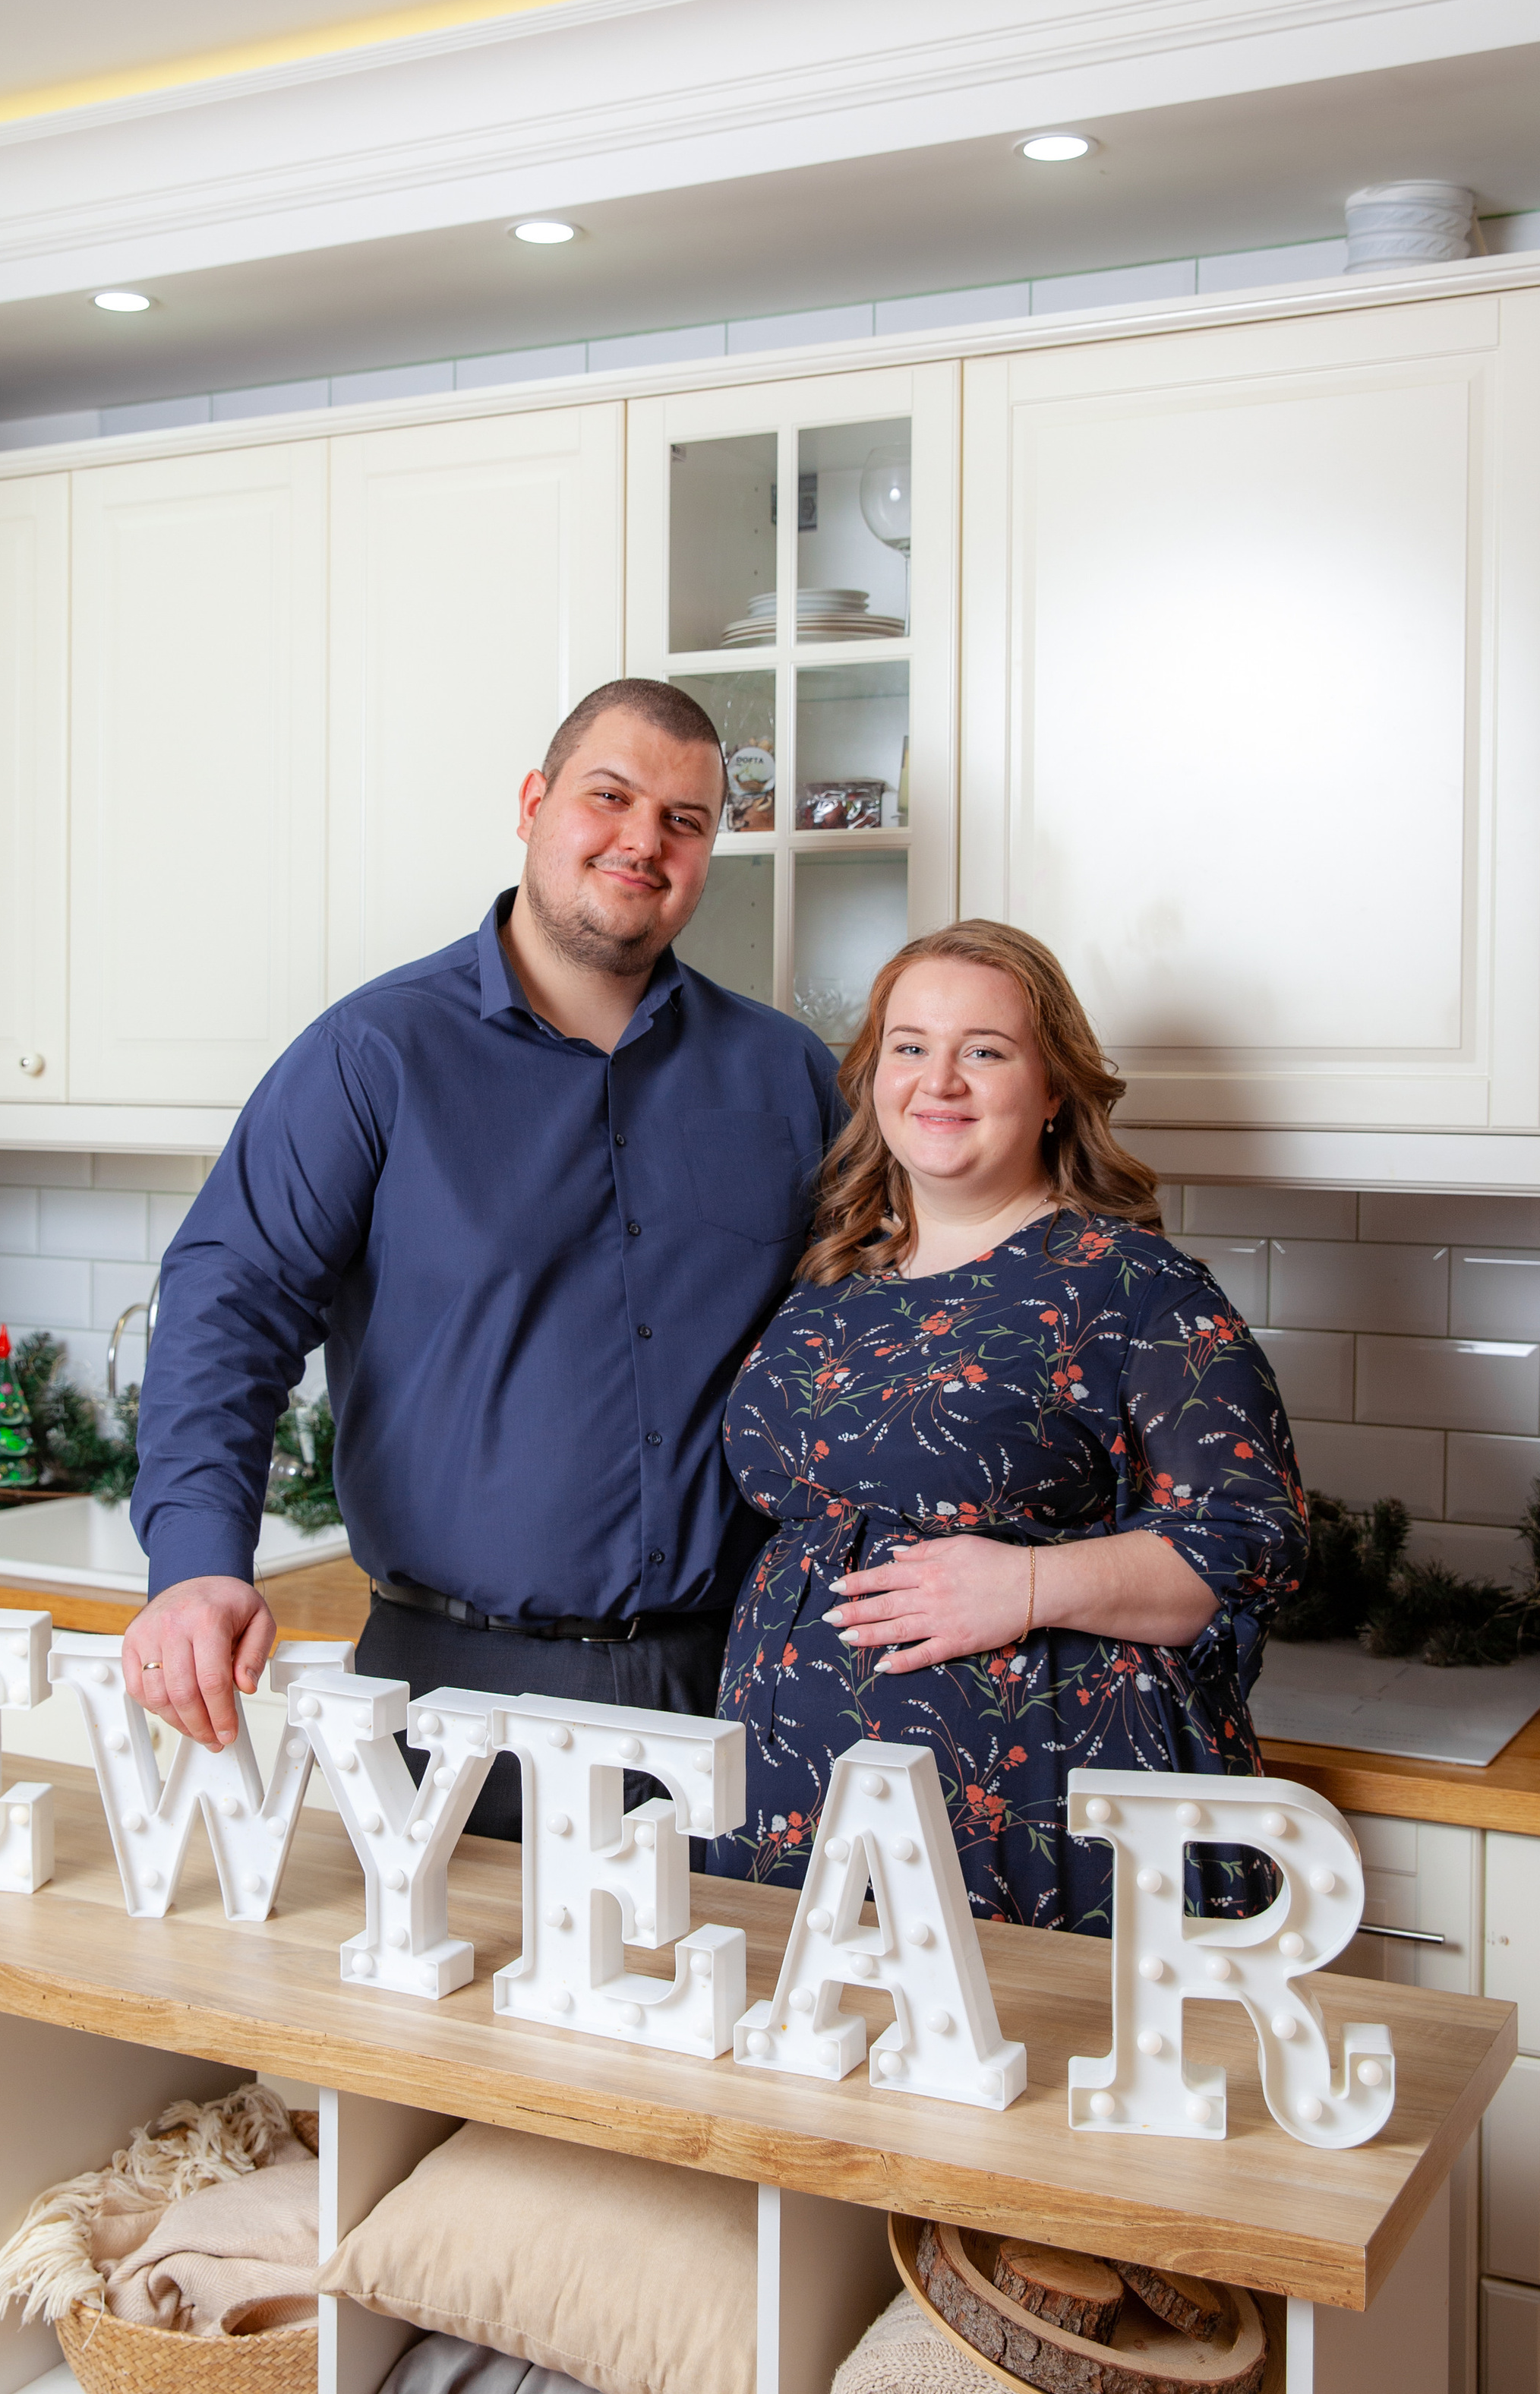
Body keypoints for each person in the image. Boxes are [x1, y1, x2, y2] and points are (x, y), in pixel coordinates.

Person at [123, 677, 845, 1835]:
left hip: (742, 1688)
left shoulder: (789, 1076)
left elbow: (887, 1331)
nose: (643, 841)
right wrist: (199, 1561)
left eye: (685, 821)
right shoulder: (372, 1055)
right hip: (449, 1698)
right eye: (609, 797)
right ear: (532, 804)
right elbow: (231, 1303)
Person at [708, 919, 1306, 1933]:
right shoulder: (830, 1279)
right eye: (910, 1046)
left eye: (984, 1052)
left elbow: (1251, 1544)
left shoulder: (1135, 1286)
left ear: (1054, 1087)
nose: (939, 1081)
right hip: (797, 1795)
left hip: (1036, 1806)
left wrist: (1027, 1585)